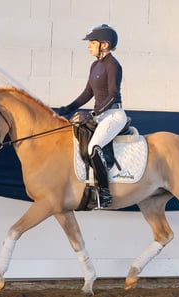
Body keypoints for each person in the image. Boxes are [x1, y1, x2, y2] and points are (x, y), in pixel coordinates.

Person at [58, 24, 127, 208]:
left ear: (104, 44)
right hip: (100, 115)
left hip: (113, 114)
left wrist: (94, 113)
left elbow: (113, 95)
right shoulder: (95, 65)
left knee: (93, 147)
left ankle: (105, 194)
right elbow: (87, 93)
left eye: (92, 42)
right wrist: (67, 108)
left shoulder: (113, 65)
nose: (88, 46)